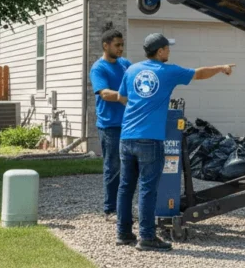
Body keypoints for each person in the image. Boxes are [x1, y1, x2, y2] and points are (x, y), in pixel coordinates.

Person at [116, 33, 234, 251]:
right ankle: (147, 238)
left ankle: (123, 234)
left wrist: (139, 107)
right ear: (160, 51)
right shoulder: (167, 72)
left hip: (127, 136)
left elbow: (121, 97)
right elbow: (198, 74)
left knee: (125, 187)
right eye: (167, 48)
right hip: (149, 139)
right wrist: (221, 67)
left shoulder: (131, 70)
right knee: (147, 188)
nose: (169, 51)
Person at [89, 27, 130, 221]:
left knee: (129, 166)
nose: (121, 48)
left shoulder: (125, 64)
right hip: (110, 126)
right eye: (117, 45)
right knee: (112, 167)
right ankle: (110, 209)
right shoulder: (99, 68)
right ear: (106, 45)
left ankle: (124, 208)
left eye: (122, 45)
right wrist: (124, 98)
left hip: (129, 124)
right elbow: (104, 93)